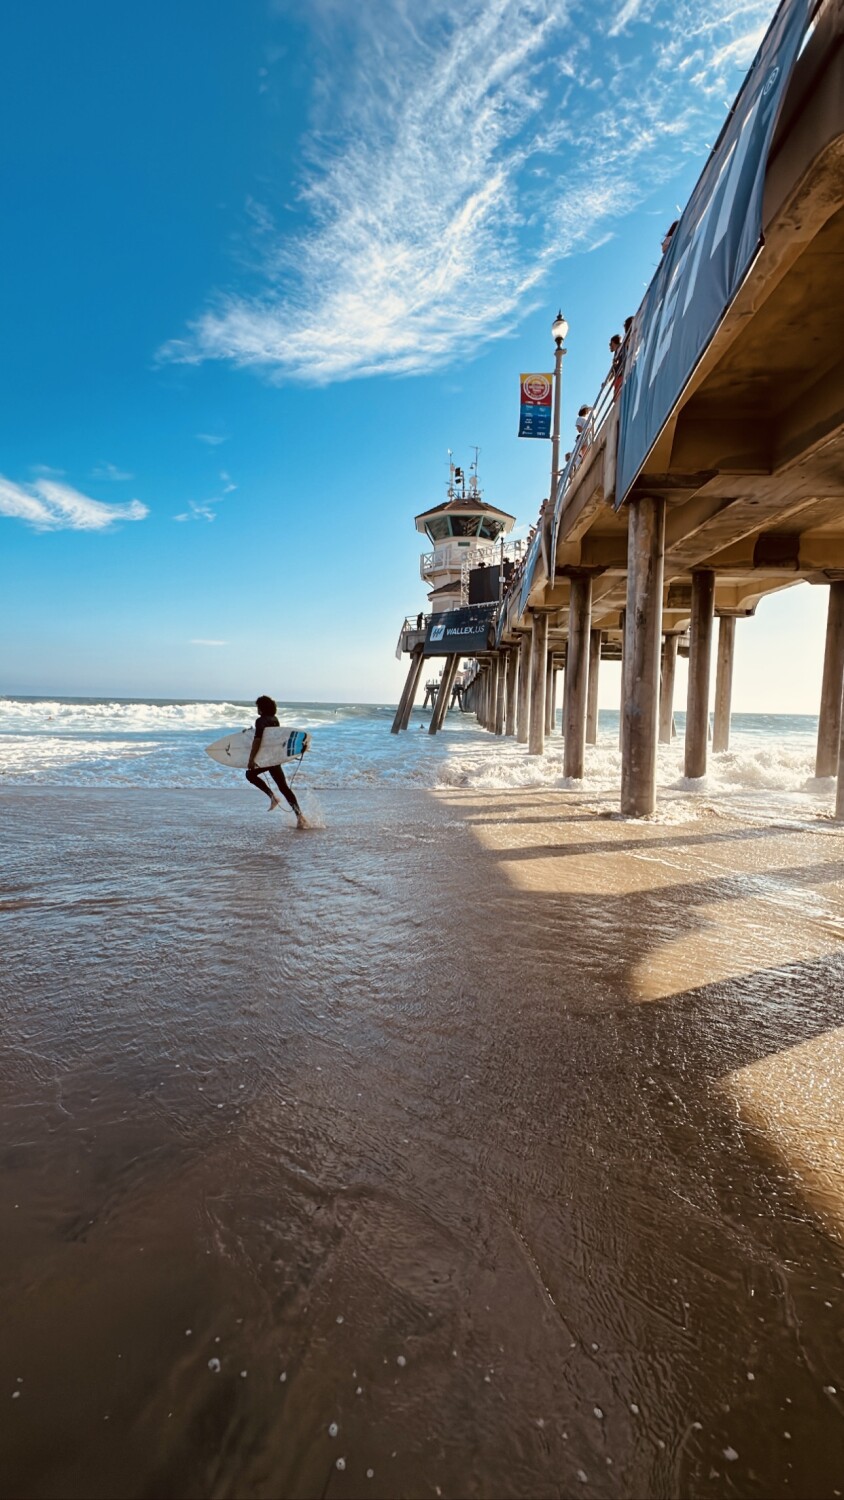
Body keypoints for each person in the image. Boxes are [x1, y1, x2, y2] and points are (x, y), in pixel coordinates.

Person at [246, 694, 307, 827]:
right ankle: (300, 816)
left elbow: (258, 741)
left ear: (261, 707)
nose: (257, 709)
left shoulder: (260, 720)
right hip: (274, 756)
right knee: (284, 787)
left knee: (250, 774)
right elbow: (271, 738)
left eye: (257, 706)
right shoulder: (274, 719)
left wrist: (252, 759)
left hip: (267, 758)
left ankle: (273, 797)